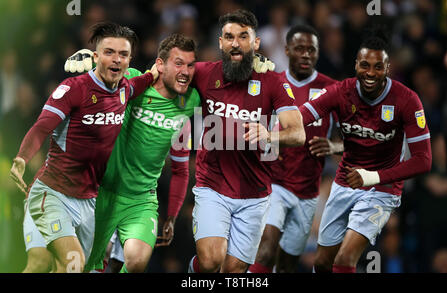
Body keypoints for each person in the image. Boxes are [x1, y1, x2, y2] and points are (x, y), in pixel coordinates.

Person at [10, 22, 158, 273]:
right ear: (95, 56)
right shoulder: (73, 89)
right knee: (64, 263)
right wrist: (22, 157)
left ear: (129, 60)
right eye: (109, 52)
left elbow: (144, 81)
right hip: (53, 192)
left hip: (89, 202)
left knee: (75, 268)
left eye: (123, 54)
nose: (116, 59)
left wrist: (156, 72)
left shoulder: (124, 89)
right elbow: (42, 127)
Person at [298, 29, 432, 273]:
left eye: (378, 67)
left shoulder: (407, 101)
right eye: (365, 65)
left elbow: (424, 160)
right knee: (322, 262)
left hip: (382, 188)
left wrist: (372, 177)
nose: (370, 73)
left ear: (388, 68)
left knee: (345, 258)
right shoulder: (341, 91)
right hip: (345, 181)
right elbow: (301, 115)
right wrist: (269, 130)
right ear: (356, 65)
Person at [188, 9, 305, 273]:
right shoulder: (204, 73)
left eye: (243, 36)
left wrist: (270, 135)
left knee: (235, 270)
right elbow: (166, 71)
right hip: (212, 186)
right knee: (210, 261)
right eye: (229, 37)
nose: (235, 43)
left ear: (255, 43)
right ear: (220, 43)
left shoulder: (273, 81)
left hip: (255, 194)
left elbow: (298, 133)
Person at [78, 33, 199, 273]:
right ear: (160, 64)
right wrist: (88, 66)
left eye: (190, 65)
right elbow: (102, 81)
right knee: (90, 264)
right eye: (178, 63)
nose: (185, 71)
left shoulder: (190, 102)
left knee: (135, 262)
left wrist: (172, 215)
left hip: (141, 200)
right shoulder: (133, 79)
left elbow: (180, 167)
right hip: (103, 191)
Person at [247, 24, 342, 273]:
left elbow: (358, 139)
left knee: (288, 264)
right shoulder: (272, 84)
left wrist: (333, 145)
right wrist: (267, 145)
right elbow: (254, 130)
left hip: (308, 191)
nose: (306, 54)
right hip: (274, 183)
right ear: (287, 50)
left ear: (318, 53)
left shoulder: (333, 90)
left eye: (312, 49)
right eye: (300, 48)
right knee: (266, 249)